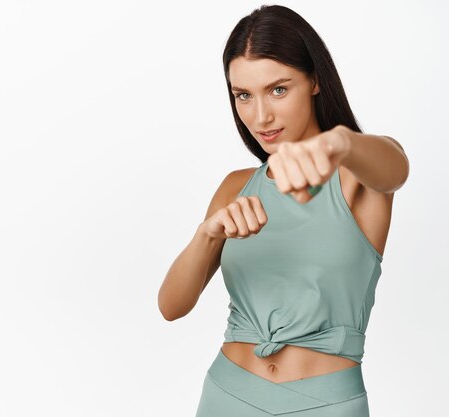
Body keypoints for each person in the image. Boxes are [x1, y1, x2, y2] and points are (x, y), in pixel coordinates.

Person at [157, 5, 409, 417]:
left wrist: (339, 144)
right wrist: (209, 233)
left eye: (278, 89)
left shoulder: (356, 174)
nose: (261, 116)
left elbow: (397, 167)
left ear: (314, 80)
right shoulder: (236, 186)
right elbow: (171, 306)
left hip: (325, 403)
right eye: (243, 95)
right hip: (227, 394)